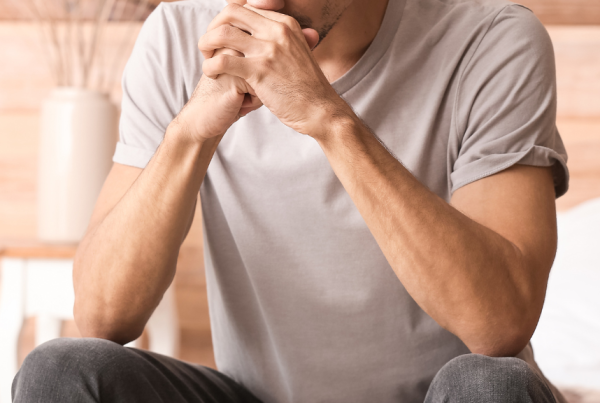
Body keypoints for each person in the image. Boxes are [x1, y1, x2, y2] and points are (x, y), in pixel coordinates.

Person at [12, 0, 570, 401]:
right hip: (253, 395)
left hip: (441, 397)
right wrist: (190, 134)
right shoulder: (176, 35)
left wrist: (327, 119)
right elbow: (102, 316)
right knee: (62, 369)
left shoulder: (492, 38)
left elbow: (500, 325)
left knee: (489, 385)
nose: (267, 4)